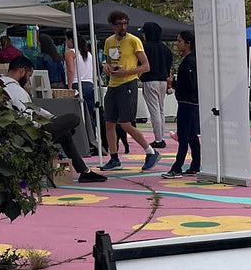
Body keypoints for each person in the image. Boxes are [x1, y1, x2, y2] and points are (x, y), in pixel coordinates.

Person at [2, 59, 106, 184]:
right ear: (22, 71)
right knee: (73, 118)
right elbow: (25, 115)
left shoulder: (1, 83)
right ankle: (84, 172)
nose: (29, 80)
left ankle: (84, 171)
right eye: (29, 76)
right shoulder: (16, 89)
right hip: (29, 134)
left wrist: (52, 119)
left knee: (64, 133)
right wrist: (44, 125)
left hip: (15, 133)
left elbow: (33, 109)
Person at [101, 10, 160, 171]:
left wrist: (126, 72)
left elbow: (145, 66)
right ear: (112, 25)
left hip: (128, 84)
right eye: (119, 24)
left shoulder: (134, 41)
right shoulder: (109, 41)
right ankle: (114, 157)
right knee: (109, 122)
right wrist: (106, 67)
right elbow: (109, 61)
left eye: (125, 23)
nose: (123, 27)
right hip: (113, 84)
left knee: (126, 123)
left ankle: (151, 151)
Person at [163, 30, 200, 178]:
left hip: (187, 102)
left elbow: (189, 84)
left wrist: (173, 83)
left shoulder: (189, 61)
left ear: (188, 43)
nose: (177, 44)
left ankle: (177, 167)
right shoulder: (190, 60)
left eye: (179, 41)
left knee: (184, 136)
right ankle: (195, 165)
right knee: (191, 136)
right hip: (189, 102)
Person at [139, 21, 173, 148]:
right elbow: (169, 68)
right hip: (163, 81)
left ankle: (158, 139)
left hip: (149, 81)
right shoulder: (166, 49)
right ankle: (160, 137)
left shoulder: (144, 48)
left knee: (154, 112)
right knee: (161, 110)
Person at [68, 36, 99, 150]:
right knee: (89, 115)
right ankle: (92, 140)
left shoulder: (71, 53)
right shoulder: (88, 54)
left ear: (71, 40)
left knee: (79, 115)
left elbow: (71, 70)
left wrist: (69, 87)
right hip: (89, 84)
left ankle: (82, 142)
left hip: (77, 84)